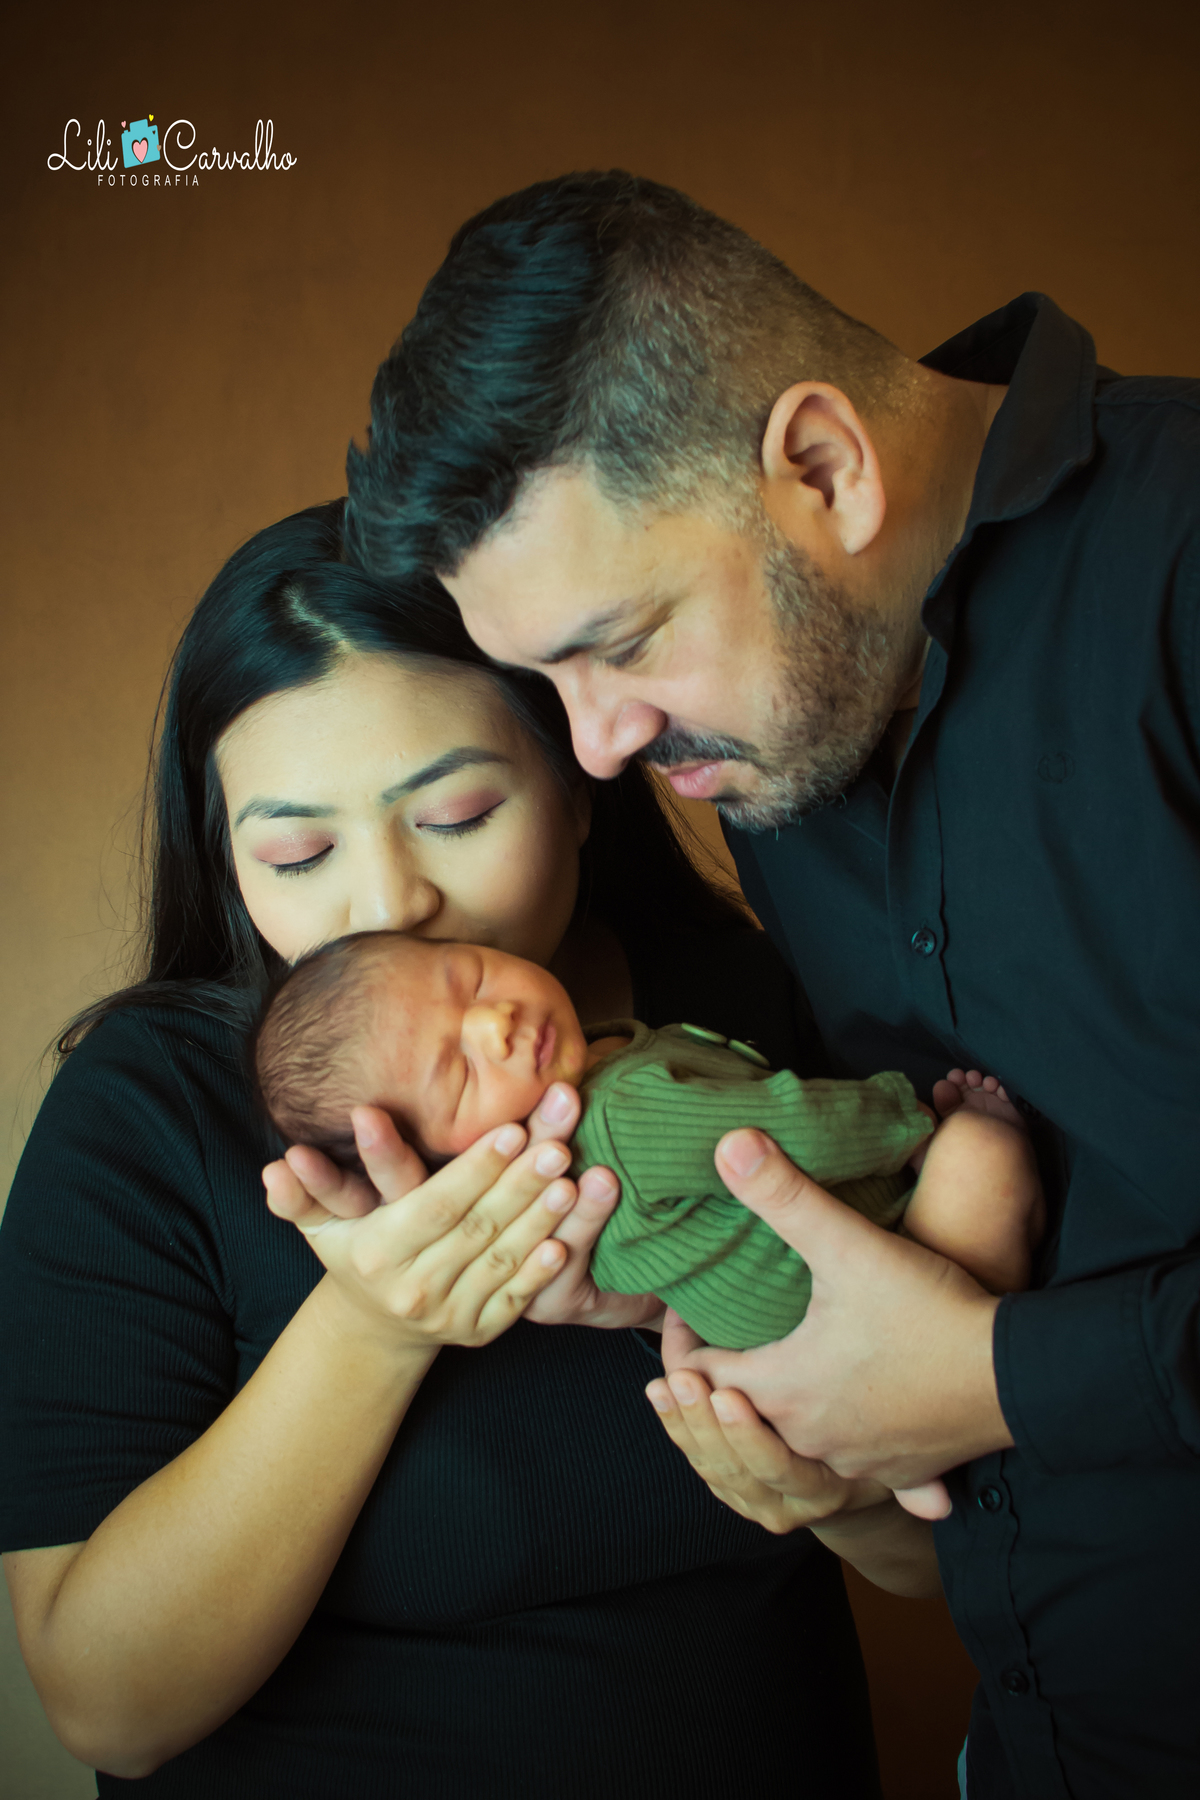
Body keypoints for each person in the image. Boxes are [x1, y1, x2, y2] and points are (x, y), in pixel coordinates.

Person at [342, 172, 1200, 1798]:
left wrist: (997, 1380)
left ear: (821, 464)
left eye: (625, 640)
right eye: (545, 682)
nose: (592, 745)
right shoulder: (761, 749)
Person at [2, 500, 952, 1800]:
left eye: (451, 815)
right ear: (229, 866)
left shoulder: (753, 1010)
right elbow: (108, 1707)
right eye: (297, 851)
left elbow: (942, 1552)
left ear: (574, 782)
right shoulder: (150, 1113)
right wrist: (375, 1328)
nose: (387, 903)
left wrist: (826, 1488)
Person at [253, 928, 1040, 1350]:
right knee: (981, 1159)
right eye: (458, 1072)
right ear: (447, 1164)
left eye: (471, 976)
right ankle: (985, 1309)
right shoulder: (621, 1115)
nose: (497, 1023)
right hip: (869, 1290)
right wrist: (905, 1122)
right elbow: (787, 1127)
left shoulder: (592, 1077)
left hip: (789, 1340)